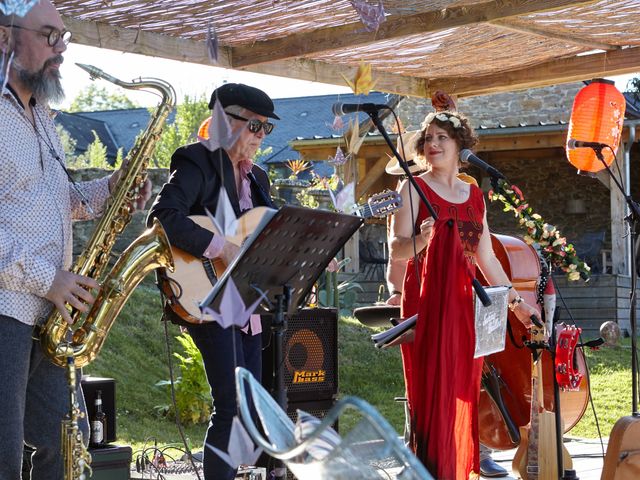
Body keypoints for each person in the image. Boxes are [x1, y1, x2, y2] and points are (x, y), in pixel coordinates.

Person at [0, 2, 150, 478]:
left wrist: (112, 188)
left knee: (65, 451)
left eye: (64, 38)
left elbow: (56, 199)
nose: (60, 49)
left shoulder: (43, 116)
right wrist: (50, 279)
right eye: (49, 35)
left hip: (50, 317)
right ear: (5, 38)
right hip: (7, 311)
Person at [389, 111, 539, 479]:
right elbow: (396, 249)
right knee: (432, 392)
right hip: (427, 298)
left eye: (442, 138)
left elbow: (486, 257)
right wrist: (423, 239)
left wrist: (517, 304)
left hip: (466, 301)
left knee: (462, 389)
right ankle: (432, 470)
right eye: (428, 139)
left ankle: (455, 469)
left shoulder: (473, 194)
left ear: (460, 146)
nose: (433, 145)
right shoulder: (412, 187)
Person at [147, 82, 278, 480]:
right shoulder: (196, 161)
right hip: (207, 295)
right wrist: (219, 246)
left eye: (266, 129)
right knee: (231, 407)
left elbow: (263, 233)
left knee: (251, 406)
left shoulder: (259, 180)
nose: (261, 136)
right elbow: (164, 216)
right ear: (224, 121)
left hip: (246, 302)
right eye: (255, 126)